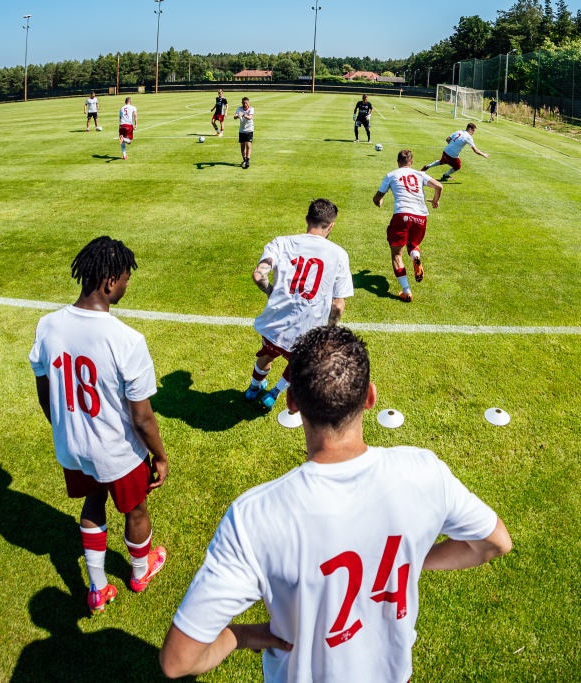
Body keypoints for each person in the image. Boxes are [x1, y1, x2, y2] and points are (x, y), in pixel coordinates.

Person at [159, 325, 512, 682]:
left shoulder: (253, 518)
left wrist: (246, 635)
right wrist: (414, 560)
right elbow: (495, 543)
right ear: (370, 397)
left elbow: (178, 661)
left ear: (293, 402)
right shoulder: (424, 472)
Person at [29, 236, 169, 614]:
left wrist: (64, 429)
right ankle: (140, 572)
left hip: (71, 446)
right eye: (125, 278)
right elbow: (141, 417)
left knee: (93, 501)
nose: (127, 285)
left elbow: (46, 394)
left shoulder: (47, 325)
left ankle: (97, 588)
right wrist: (160, 456)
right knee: (136, 509)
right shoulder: (126, 339)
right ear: (109, 282)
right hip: (117, 451)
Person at [244, 199, 352, 412]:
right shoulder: (339, 254)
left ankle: (253, 388)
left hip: (275, 324)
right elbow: (338, 305)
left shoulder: (282, 242)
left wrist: (270, 291)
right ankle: (274, 393)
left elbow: (259, 275)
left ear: (306, 220)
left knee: (268, 353)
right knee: (299, 364)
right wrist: (329, 331)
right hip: (308, 330)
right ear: (331, 226)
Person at [373, 150, 442, 303]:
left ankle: (407, 292)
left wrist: (380, 202)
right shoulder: (419, 174)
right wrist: (436, 200)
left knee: (397, 255)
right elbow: (439, 186)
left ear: (398, 162)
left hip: (402, 215)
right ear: (411, 162)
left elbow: (377, 197)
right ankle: (416, 258)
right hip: (420, 216)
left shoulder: (391, 175)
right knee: (413, 244)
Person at [420, 122, 489, 182]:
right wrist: (484, 154)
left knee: (443, 161)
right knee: (458, 166)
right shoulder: (468, 137)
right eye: (473, 131)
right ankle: (446, 175)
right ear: (470, 129)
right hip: (452, 155)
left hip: (446, 151)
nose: (474, 133)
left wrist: (452, 146)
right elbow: (475, 150)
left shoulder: (459, 131)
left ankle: (427, 166)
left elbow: (447, 139)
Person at [234, 96, 254, 168]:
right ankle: (244, 160)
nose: (245, 104)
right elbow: (235, 116)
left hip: (249, 129)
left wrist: (243, 115)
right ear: (241, 103)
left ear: (248, 103)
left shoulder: (251, 109)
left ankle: (247, 161)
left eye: (246, 103)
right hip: (242, 130)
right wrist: (237, 116)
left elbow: (250, 117)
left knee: (248, 145)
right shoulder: (239, 109)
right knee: (242, 146)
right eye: (243, 102)